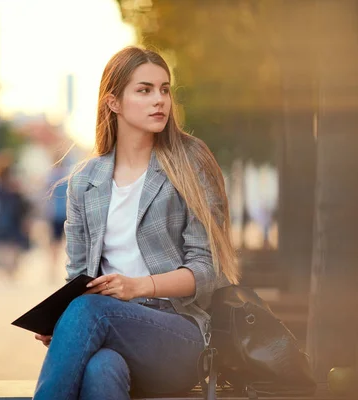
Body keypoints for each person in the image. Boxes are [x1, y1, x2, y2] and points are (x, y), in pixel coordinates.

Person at [32, 46, 240, 399]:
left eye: (164, 89)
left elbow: (209, 270)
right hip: (109, 328)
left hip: (181, 335)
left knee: (87, 310)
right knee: (101, 369)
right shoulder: (85, 181)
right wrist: (60, 322)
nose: (159, 100)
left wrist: (137, 287)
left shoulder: (189, 163)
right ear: (113, 102)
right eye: (144, 90)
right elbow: (78, 279)